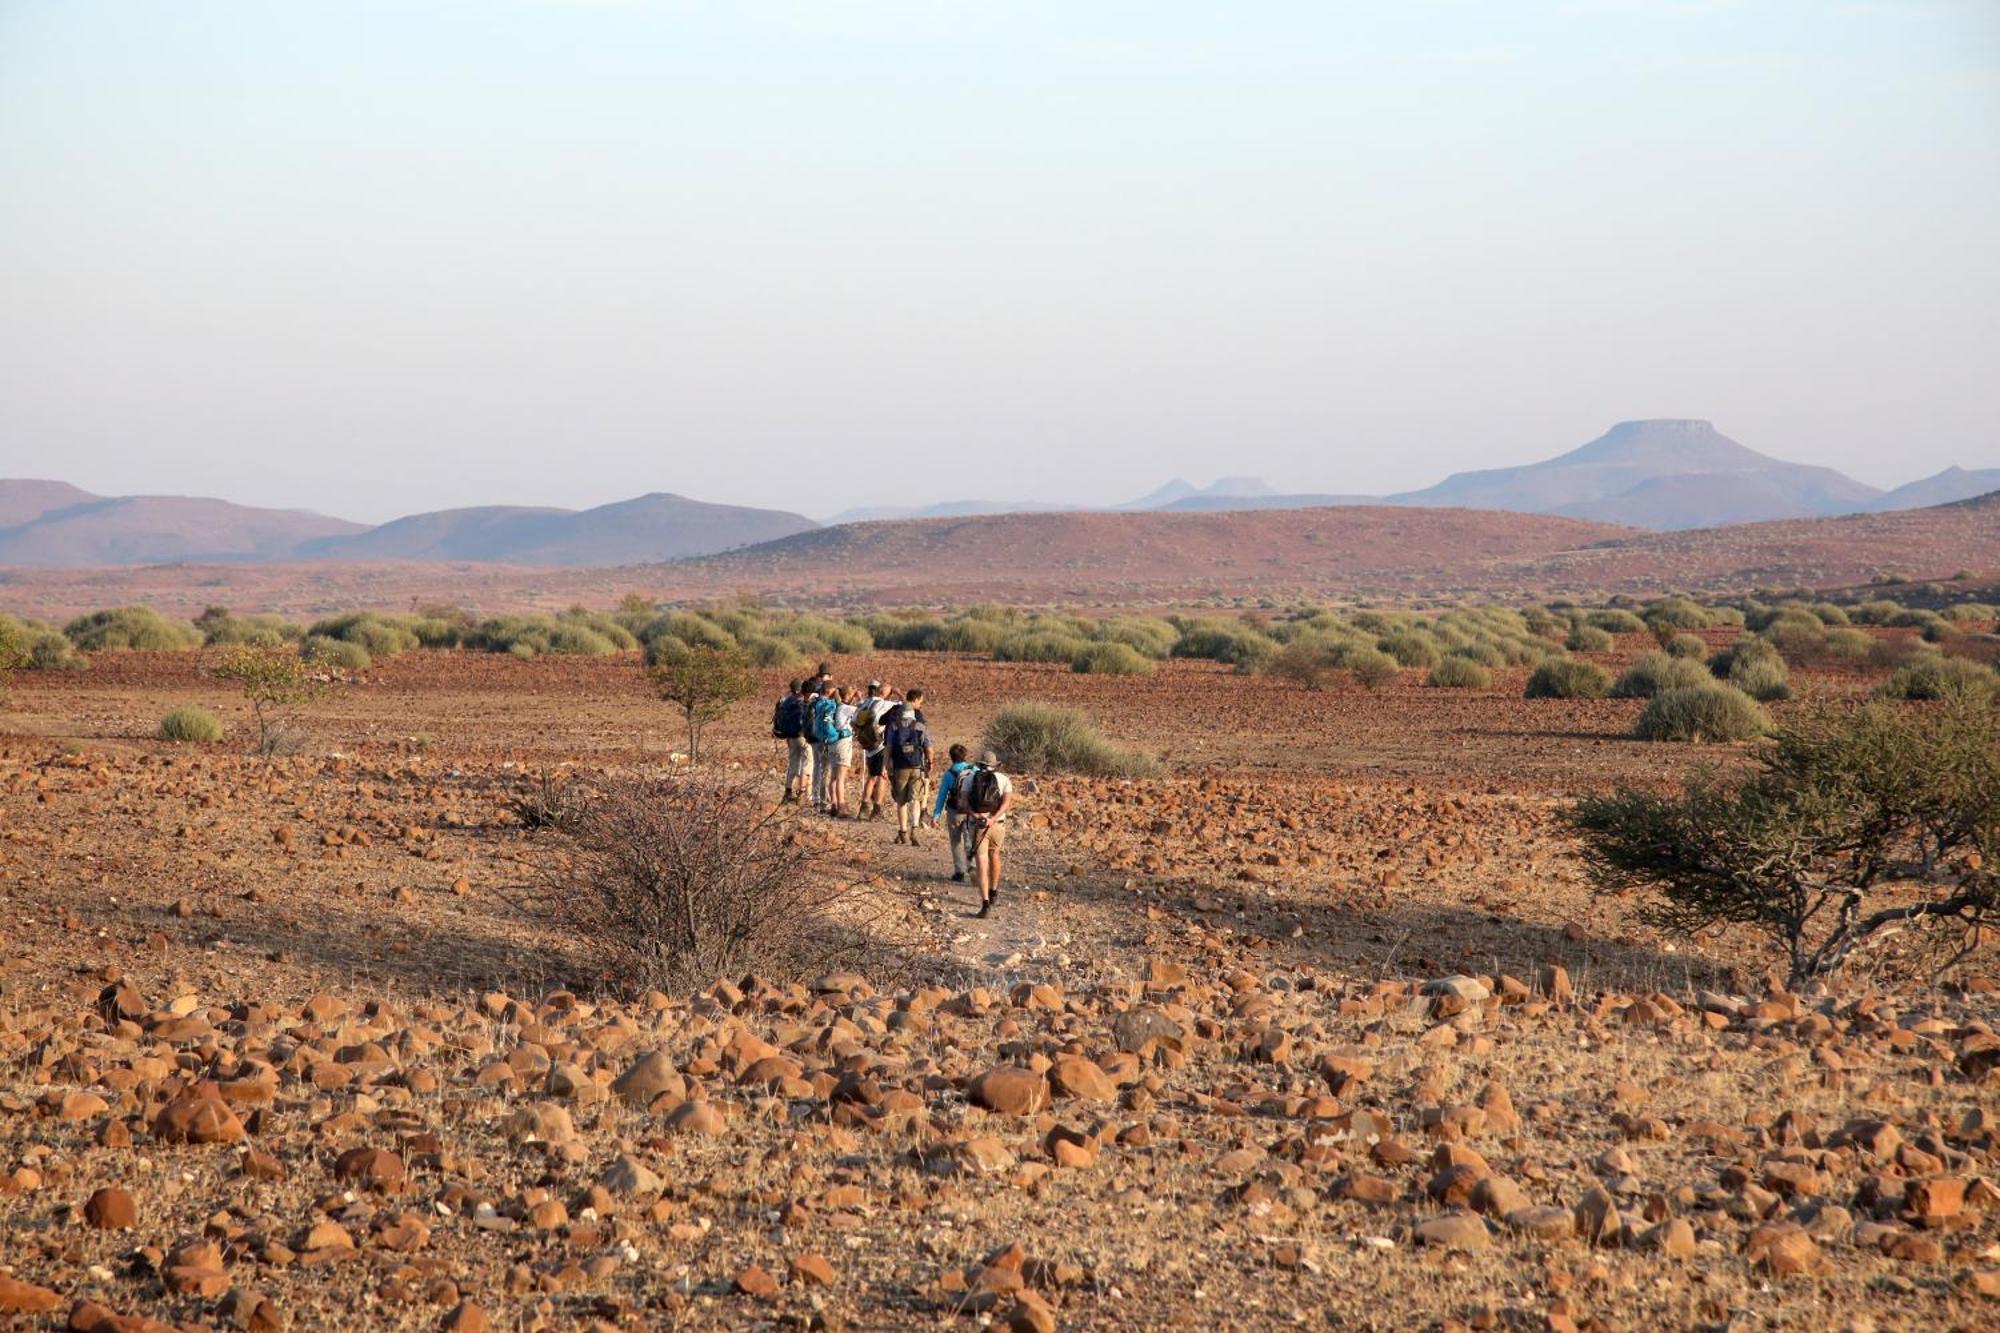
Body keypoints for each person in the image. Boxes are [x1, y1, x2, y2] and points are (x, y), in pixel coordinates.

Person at [955, 749, 1014, 917]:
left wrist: (975, 815)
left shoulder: (970, 778)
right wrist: (993, 818)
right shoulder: (1004, 780)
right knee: (995, 855)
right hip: (997, 825)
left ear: (979, 764)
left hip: (978, 825)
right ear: (995, 765)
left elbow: (964, 802)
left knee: (981, 862)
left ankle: (985, 903)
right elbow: (1006, 803)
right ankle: (994, 890)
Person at [884, 703, 933, 845]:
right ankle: (915, 829)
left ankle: (903, 832)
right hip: (917, 767)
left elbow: (888, 748)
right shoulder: (920, 727)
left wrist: (885, 766)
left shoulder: (894, 727)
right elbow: (928, 748)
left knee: (901, 801)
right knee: (915, 799)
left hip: (900, 768)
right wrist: (930, 762)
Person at [931, 743, 975, 881]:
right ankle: (972, 865)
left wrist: (936, 815)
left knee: (956, 841)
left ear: (951, 757)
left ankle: (959, 872)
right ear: (965, 755)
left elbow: (942, 796)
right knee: (970, 840)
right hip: (971, 811)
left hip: (954, 811)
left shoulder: (949, 774)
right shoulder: (974, 769)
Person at [854, 680, 892, 820]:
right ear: (886, 694)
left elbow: (854, 721)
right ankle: (876, 809)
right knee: (881, 777)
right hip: (880, 746)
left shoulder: (865, 703)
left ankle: (864, 809)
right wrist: (899, 694)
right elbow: (905, 706)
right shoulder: (885, 704)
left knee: (871, 776)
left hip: (868, 746)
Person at [772, 679, 811, 803]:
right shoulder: (802, 701)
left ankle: (787, 792)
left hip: (789, 736)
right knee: (807, 763)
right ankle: (802, 793)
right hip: (802, 736)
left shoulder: (786, 700)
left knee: (793, 763)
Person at [807, 681, 844, 814]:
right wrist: (835, 736)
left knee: (818, 769)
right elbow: (828, 724)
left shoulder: (817, 702)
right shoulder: (828, 705)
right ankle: (822, 802)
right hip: (825, 741)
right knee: (825, 772)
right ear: (829, 691)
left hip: (816, 739)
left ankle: (816, 798)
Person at [825, 685, 859, 817]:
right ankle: (841, 807)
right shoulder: (847, 708)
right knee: (840, 778)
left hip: (832, 743)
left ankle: (833, 804)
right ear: (848, 696)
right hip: (843, 744)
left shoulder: (835, 707)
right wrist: (858, 697)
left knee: (833, 777)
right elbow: (863, 711)